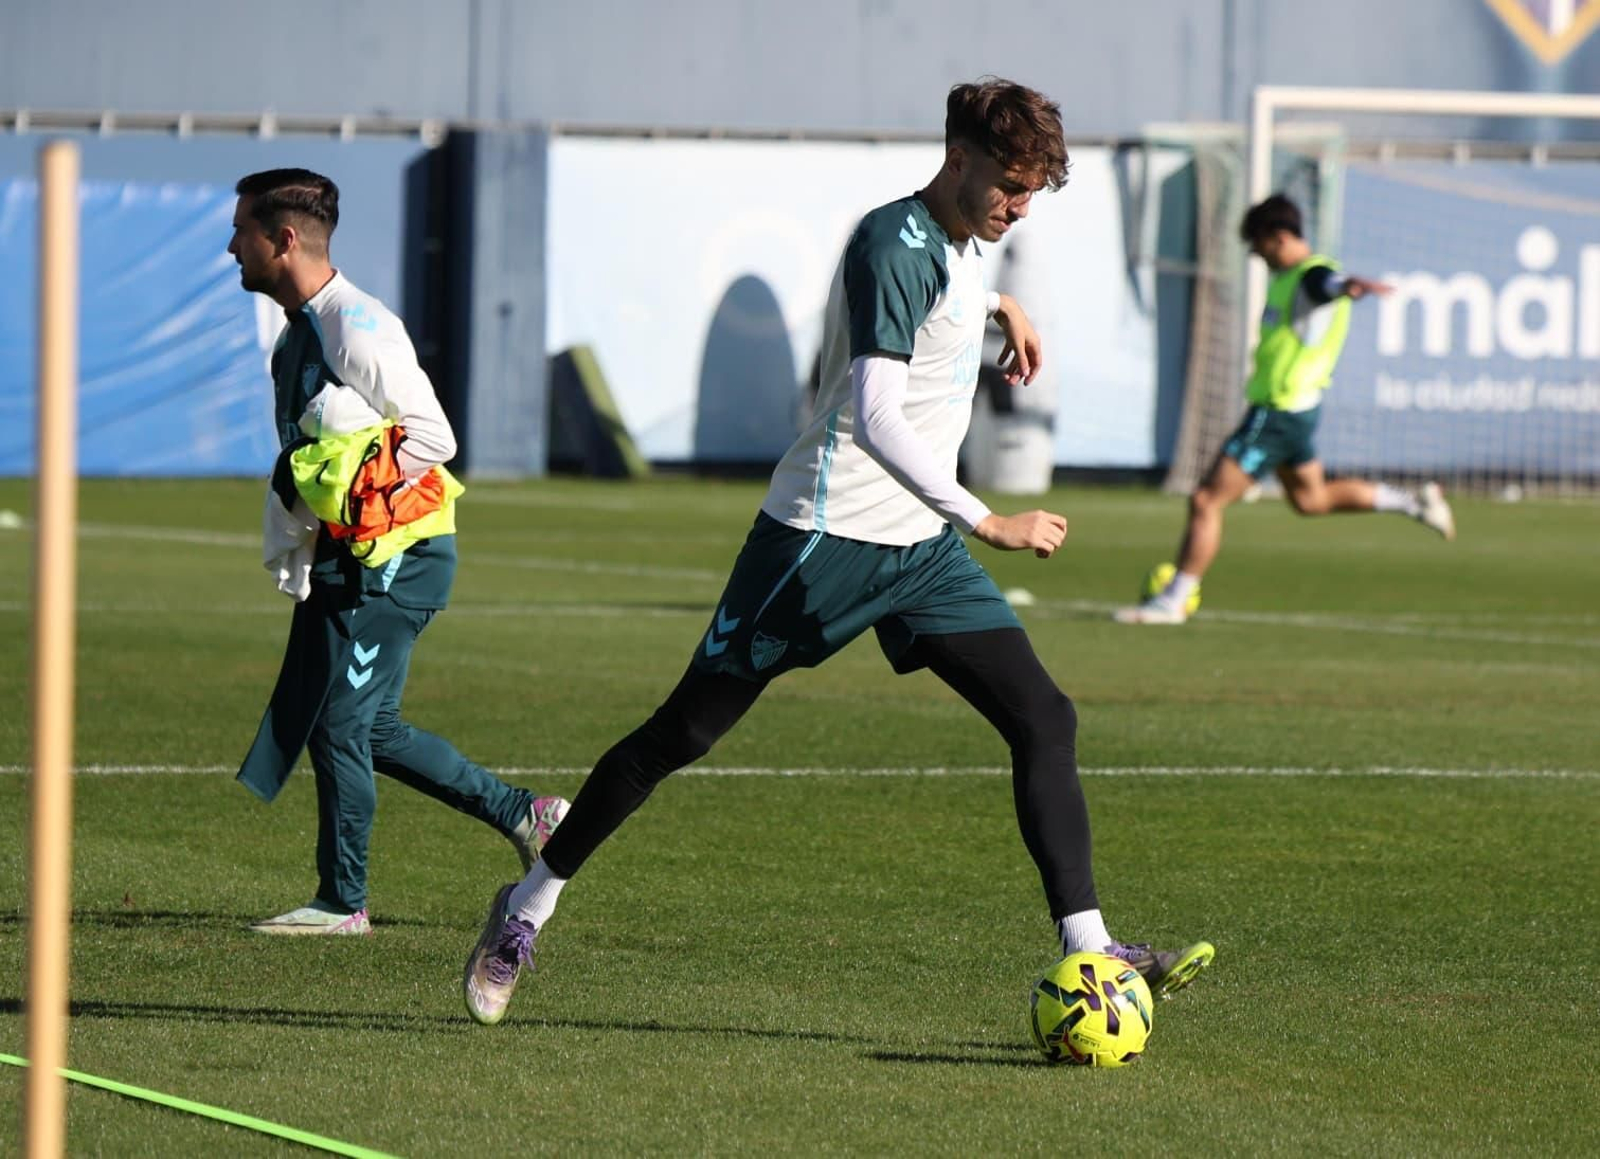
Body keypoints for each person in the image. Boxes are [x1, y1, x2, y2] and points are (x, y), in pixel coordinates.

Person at [461, 81, 1214, 1024]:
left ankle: (1091, 949)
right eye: (1011, 185)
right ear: (961, 155)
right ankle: (528, 903)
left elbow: (939, 306)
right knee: (680, 736)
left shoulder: (959, 244)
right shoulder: (886, 240)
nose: (1019, 206)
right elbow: (876, 410)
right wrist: (989, 520)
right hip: (818, 543)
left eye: (1033, 192)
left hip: (915, 551)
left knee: (1044, 718)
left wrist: (1001, 307)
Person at [229, 168, 568, 935]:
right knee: (368, 725)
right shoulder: (297, 336)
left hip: (397, 560)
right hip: (357, 560)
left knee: (338, 722)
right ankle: (528, 814)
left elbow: (435, 436)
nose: (230, 245)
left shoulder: (356, 324)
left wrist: (358, 494)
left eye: (242, 230)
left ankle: (342, 902)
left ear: (283, 240)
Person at [1116, 193, 1455, 626]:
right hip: (1297, 412)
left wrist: (1348, 287)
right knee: (1311, 499)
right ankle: (1413, 502)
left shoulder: (1313, 275)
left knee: (1206, 500)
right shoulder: (1289, 277)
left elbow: (1327, 287)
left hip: (1276, 413)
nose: (1255, 254)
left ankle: (1174, 600)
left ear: (1278, 237)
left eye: (1257, 244)